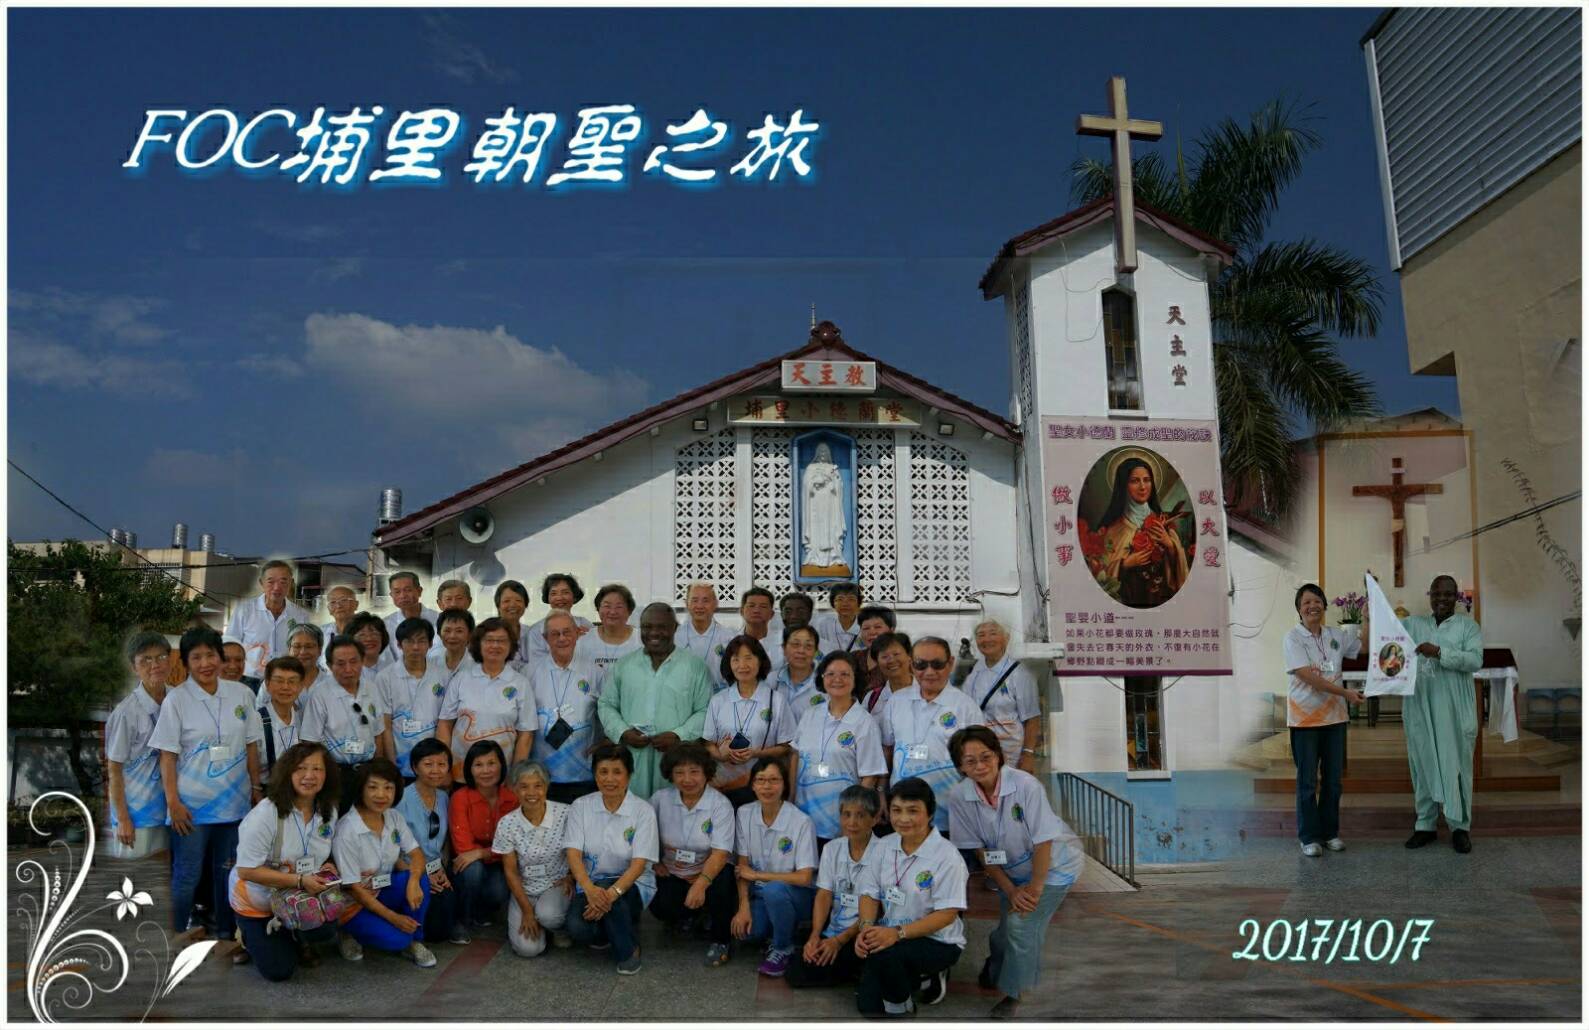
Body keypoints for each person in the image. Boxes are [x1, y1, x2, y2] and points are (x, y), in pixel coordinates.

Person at [947, 726, 1082, 1019]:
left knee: (1022, 926)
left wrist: (1033, 890)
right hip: (1011, 871)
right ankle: (996, 967)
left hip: (1054, 867)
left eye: (986, 756)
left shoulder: (1026, 786)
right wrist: (1010, 890)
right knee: (1004, 932)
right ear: (960, 767)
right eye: (970, 761)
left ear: (999, 755)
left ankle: (1015, 995)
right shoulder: (958, 797)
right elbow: (980, 851)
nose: (980, 765)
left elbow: (1044, 842)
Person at [150, 626, 264, 942]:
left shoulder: (242, 694)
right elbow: (167, 756)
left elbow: (251, 745)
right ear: (186, 662)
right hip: (192, 809)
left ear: (220, 657)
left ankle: (226, 933)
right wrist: (173, 803)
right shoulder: (177, 700)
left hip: (235, 805)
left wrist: (256, 788)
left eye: (210, 655)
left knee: (227, 871)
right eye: (196, 657)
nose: (205, 663)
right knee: (187, 874)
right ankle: (175, 934)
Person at [853, 777, 968, 1017]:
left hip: (937, 940)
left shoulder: (948, 857)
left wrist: (896, 934)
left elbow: (947, 914)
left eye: (913, 811)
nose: (903, 819)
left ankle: (902, 1008)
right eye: (896, 810)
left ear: (930, 814)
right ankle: (917, 979)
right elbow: (869, 893)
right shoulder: (883, 846)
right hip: (891, 932)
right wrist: (866, 927)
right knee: (867, 1002)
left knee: (883, 958)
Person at [228, 741, 342, 981]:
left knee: (327, 930)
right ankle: (246, 934)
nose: (309, 776)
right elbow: (246, 870)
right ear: (287, 773)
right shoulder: (265, 814)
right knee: (279, 970)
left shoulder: (328, 810)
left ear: (327, 775)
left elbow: (321, 849)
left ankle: (294, 934)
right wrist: (299, 880)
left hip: (298, 896)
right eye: (301, 768)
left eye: (317, 769)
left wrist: (327, 865)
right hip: (259, 902)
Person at [1393, 575, 1485, 854]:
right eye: (1436, 594)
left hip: (1455, 708)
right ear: (1430, 596)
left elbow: (1475, 660)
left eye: (1447, 594)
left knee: (1457, 767)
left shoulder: (1468, 627)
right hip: (1420, 705)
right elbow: (1389, 642)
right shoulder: (1413, 624)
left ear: (1456, 597)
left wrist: (1440, 652)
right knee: (1422, 764)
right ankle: (1425, 825)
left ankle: (1460, 827)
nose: (1442, 599)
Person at [1283, 583, 1366, 857]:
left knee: (1333, 781)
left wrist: (1369, 617)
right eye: (1306, 602)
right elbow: (1308, 677)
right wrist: (1346, 693)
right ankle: (1309, 837)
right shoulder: (1293, 638)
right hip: (1305, 720)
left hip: (1335, 719)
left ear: (1325, 606)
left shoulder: (1336, 636)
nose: (1312, 606)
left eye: (1317, 601)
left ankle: (1330, 833)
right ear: (1299, 609)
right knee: (1307, 782)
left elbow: (1363, 647)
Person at [597, 603, 712, 799]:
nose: (654, 633)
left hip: (676, 760)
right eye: (647, 627)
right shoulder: (625, 665)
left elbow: (706, 710)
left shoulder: (695, 666)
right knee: (634, 813)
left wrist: (679, 735)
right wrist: (623, 732)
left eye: (661, 627)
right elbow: (606, 704)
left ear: (674, 628)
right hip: (632, 759)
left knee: (672, 811)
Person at [563, 742, 660, 974]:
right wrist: (589, 889)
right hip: (590, 884)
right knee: (577, 928)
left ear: (629, 775)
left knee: (614, 901)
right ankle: (617, 925)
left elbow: (639, 864)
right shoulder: (580, 806)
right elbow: (573, 853)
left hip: (634, 884)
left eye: (617, 772)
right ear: (595, 775)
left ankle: (628, 952)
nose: (610, 779)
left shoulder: (643, 810)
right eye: (603, 772)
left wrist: (609, 895)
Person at [331, 758, 437, 967]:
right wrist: (393, 918)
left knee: (419, 879)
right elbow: (353, 889)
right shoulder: (347, 830)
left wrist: (413, 881)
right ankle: (346, 932)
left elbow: (416, 854)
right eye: (373, 787)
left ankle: (415, 940)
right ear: (361, 789)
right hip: (354, 904)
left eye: (388, 788)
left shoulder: (393, 817)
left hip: (382, 890)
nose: (381, 795)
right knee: (398, 940)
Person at [879, 637, 984, 831]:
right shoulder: (895, 702)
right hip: (902, 814)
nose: (929, 672)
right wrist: (881, 792)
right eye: (921, 664)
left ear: (950, 663)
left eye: (937, 664)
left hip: (948, 815)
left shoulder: (966, 707)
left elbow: (977, 762)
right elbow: (887, 750)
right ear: (911, 665)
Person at [648, 741, 737, 966]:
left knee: (723, 883)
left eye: (694, 772)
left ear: (707, 772)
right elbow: (645, 836)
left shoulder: (720, 805)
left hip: (710, 870)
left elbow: (720, 853)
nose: (687, 779)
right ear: (670, 775)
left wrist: (700, 884)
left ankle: (721, 941)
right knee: (659, 904)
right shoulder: (660, 799)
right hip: (674, 870)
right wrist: (655, 862)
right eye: (679, 772)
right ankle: (690, 916)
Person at [787, 785, 881, 989]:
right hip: (833, 930)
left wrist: (839, 941)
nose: (852, 822)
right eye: (846, 814)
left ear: (874, 819)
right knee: (797, 971)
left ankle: (859, 969)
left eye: (860, 815)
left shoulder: (884, 852)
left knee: (847, 961)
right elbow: (824, 895)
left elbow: (877, 910)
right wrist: (815, 935)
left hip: (864, 932)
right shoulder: (832, 848)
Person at [731, 757, 818, 977]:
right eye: (760, 780)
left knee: (774, 890)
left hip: (796, 895)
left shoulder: (801, 821)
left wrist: (758, 875)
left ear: (784, 784)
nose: (767, 786)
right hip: (759, 894)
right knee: (748, 933)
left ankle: (783, 947)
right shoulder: (744, 813)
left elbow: (805, 878)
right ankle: (779, 929)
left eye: (774, 780)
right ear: (752, 785)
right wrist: (743, 907)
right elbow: (742, 867)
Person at [791, 652, 887, 843]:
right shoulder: (810, 714)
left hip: (839, 821)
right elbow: (795, 755)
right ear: (822, 678)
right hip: (802, 816)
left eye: (845, 674)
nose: (837, 679)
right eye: (831, 674)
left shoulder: (864, 722)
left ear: (855, 679)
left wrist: (853, 818)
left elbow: (869, 776)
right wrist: (790, 798)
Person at [1081, 456, 1190, 609]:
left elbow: (1181, 575)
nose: (1143, 487)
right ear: (1124, 485)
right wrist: (1124, 564)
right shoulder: (1112, 530)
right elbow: (1099, 576)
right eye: (1134, 481)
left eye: (1147, 480)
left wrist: (1170, 545)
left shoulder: (1164, 523)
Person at [436, 617, 536, 784]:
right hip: (460, 774)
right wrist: (443, 768)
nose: (495, 645)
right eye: (489, 640)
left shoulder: (520, 683)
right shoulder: (461, 679)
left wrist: (515, 777)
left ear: (511, 646)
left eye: (502, 641)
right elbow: (445, 725)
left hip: (502, 777)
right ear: (478, 644)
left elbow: (526, 734)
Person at [704, 636, 797, 807]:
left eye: (748, 658)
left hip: (760, 787)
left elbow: (787, 747)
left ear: (760, 661)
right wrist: (720, 755)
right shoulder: (718, 700)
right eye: (736, 659)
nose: (742, 665)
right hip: (722, 787)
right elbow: (708, 743)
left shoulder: (776, 700)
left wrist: (755, 753)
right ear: (729, 664)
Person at [493, 761, 574, 957]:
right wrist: (527, 911)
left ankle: (556, 928)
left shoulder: (566, 813)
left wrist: (572, 876)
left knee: (550, 916)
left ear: (546, 787)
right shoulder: (507, 823)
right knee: (528, 950)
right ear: (514, 789)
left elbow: (582, 850)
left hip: (556, 884)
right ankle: (536, 919)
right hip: (525, 889)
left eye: (538, 785)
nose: (531, 793)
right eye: (524, 786)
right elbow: (510, 872)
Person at [300, 636, 390, 811]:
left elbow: (378, 732)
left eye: (354, 662)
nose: (348, 669)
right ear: (329, 665)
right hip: (335, 773)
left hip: (367, 771)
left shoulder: (371, 688)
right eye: (340, 663)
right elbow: (310, 742)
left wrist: (377, 769)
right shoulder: (320, 694)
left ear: (362, 661)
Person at [394, 738, 470, 946]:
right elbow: (392, 851)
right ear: (414, 767)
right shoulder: (401, 800)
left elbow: (444, 842)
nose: (436, 770)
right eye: (428, 764)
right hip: (408, 869)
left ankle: (458, 921)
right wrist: (421, 874)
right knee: (436, 931)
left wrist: (442, 869)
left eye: (442, 764)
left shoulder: (444, 797)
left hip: (437, 868)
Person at [528, 612, 605, 804]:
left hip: (584, 775)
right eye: (555, 634)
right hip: (540, 777)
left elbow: (609, 713)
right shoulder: (529, 672)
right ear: (545, 638)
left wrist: (605, 742)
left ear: (577, 634)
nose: (562, 638)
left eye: (567, 632)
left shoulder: (595, 672)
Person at [106, 631, 171, 854]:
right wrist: (123, 818)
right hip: (137, 816)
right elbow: (114, 769)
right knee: (137, 872)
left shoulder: (178, 700)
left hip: (170, 813)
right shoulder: (126, 713)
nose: (155, 665)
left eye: (161, 657)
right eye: (146, 660)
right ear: (134, 667)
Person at [960, 620, 1042, 773]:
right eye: (981, 635)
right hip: (980, 754)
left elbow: (1032, 717)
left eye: (993, 633)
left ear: (1006, 638)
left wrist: (1028, 754)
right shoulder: (974, 672)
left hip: (1011, 756)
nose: (987, 639)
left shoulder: (1020, 674)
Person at [449, 740, 515, 929]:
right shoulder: (460, 798)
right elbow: (464, 849)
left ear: (502, 765)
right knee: (473, 871)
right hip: (467, 864)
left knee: (499, 891)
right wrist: (483, 853)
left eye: (491, 763)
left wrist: (481, 853)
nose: (486, 771)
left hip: (498, 863)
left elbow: (514, 844)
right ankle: (463, 918)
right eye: (478, 765)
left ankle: (481, 910)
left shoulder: (512, 798)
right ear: (469, 769)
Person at [228, 560, 315, 690]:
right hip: (250, 681)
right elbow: (230, 645)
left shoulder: (301, 616)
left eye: (283, 582)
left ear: (291, 583)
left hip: (286, 682)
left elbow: (306, 650)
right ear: (261, 583)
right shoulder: (244, 611)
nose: (277, 587)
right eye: (271, 582)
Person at [379, 618, 446, 779]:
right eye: (409, 641)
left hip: (433, 763)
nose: (415, 647)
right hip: (400, 760)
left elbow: (446, 723)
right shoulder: (385, 677)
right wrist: (392, 764)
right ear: (399, 644)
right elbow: (385, 724)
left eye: (421, 641)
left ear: (430, 644)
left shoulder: (443, 675)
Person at [522, 573, 593, 666]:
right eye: (554, 593)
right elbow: (535, 664)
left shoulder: (585, 625)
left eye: (565, 592)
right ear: (548, 598)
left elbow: (596, 657)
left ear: (574, 596)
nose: (559, 598)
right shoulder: (536, 631)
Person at [675, 581, 733, 692]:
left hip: (718, 697)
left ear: (715, 604)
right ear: (686, 604)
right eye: (694, 600)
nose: (700, 606)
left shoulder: (728, 637)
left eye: (705, 600)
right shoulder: (676, 637)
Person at [256, 657, 306, 786]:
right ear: (267, 684)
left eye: (292, 681)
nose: (285, 687)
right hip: (266, 789)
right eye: (279, 681)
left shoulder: (303, 718)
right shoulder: (256, 720)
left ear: (301, 686)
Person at [576, 583, 643, 678]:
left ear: (629, 611)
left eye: (619, 607)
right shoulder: (583, 640)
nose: (612, 612)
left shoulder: (641, 640)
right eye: (607, 606)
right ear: (598, 609)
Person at [383, 572, 440, 663]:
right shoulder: (385, 625)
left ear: (419, 591)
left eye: (408, 590)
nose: (402, 596)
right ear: (391, 595)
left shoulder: (438, 619)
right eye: (397, 592)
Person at [864, 631, 914, 731]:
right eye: (884, 657)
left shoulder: (929, 692)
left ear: (909, 656)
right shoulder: (872, 698)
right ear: (877, 663)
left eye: (896, 654)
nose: (891, 660)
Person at [778, 625, 825, 714]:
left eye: (808, 646)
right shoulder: (771, 680)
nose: (801, 651)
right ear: (784, 648)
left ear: (816, 651)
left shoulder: (826, 682)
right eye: (796, 644)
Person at [738, 587, 785, 671]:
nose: (756, 610)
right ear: (742, 611)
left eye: (763, 606)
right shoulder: (729, 641)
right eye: (751, 606)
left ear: (772, 614)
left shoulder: (784, 642)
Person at [854, 606, 898, 694]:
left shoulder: (901, 661)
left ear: (891, 630)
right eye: (866, 628)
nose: (872, 632)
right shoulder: (853, 658)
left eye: (878, 627)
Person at [433, 608, 478, 695]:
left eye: (459, 631)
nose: (452, 636)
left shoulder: (478, 665)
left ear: (470, 634)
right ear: (439, 634)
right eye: (447, 631)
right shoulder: (431, 663)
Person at [814, 582, 865, 656]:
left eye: (851, 599)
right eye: (840, 599)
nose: (845, 604)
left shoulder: (866, 626)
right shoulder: (823, 625)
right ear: (833, 603)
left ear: (858, 603)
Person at [493, 580, 533, 668]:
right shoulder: (488, 634)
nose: (513, 605)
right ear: (498, 605)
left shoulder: (532, 633)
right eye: (506, 601)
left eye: (518, 600)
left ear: (525, 604)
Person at [319, 586, 359, 670]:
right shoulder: (320, 633)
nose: (338, 606)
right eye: (333, 602)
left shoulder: (368, 633)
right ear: (329, 609)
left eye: (344, 600)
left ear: (356, 604)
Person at [287, 623, 330, 696]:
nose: (302, 652)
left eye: (309, 646)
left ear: (320, 650)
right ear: (289, 649)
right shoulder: (277, 682)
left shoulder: (331, 683)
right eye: (297, 646)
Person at [348, 612, 394, 677]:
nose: (369, 639)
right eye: (362, 635)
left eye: (374, 634)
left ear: (383, 638)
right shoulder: (345, 673)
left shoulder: (393, 668)